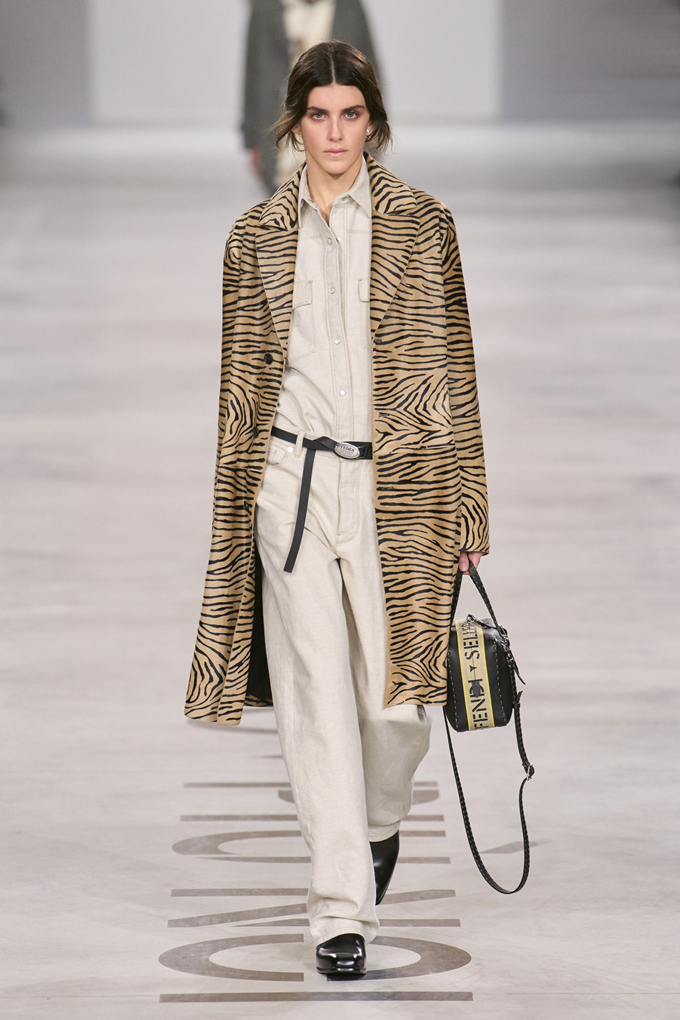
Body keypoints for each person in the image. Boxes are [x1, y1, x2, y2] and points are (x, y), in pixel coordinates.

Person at [186, 41, 489, 979]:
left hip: (400, 487)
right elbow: (240, 387)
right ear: (295, 123)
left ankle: (380, 824)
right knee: (316, 697)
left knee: (398, 708)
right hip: (291, 484)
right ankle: (338, 910)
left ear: (372, 121)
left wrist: (469, 507)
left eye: (350, 115)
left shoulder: (424, 225)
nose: (334, 133)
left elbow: (455, 369)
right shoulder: (254, 236)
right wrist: (237, 508)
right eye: (318, 116)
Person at [242, 0, 379, 193]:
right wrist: (253, 140)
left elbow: (370, 74)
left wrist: (375, 132)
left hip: (340, 129)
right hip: (281, 131)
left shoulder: (348, 6)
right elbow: (254, 75)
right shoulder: (265, 7)